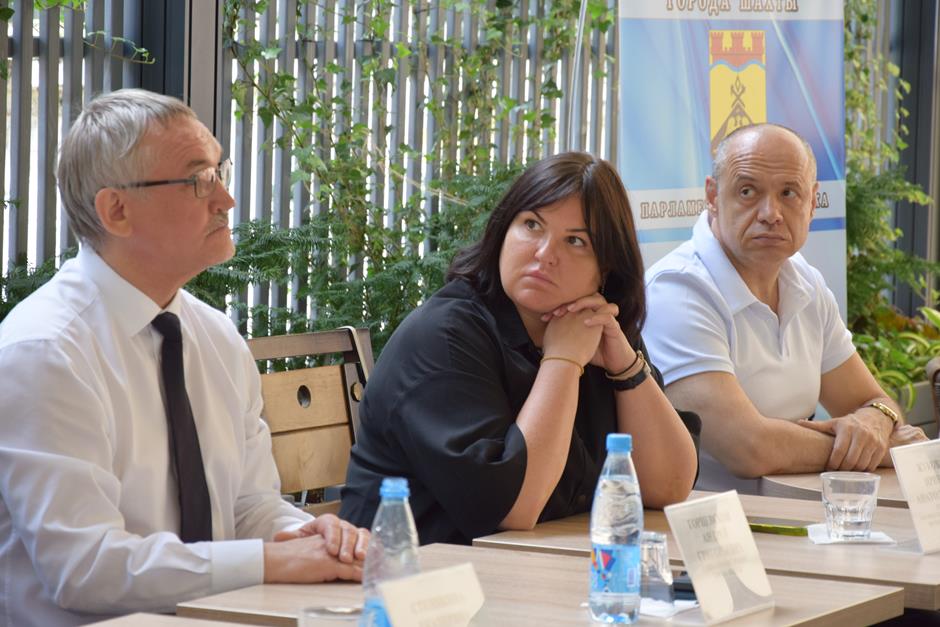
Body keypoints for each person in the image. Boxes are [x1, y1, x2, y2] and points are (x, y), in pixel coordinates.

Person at [0, 89, 369, 626]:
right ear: (117, 210)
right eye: (199, 180)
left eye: (220, 172)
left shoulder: (215, 336)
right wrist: (273, 561)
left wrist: (308, 537)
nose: (226, 200)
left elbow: (248, 506)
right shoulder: (45, 352)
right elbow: (84, 568)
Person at [340, 152, 700, 545]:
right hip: (416, 575)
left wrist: (626, 367)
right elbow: (513, 508)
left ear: (606, 269)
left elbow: (669, 485)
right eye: (532, 225)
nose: (545, 254)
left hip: (538, 566)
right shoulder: (443, 336)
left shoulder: (594, 328)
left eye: (575, 241)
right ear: (502, 231)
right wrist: (562, 360)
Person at [643, 123, 928, 493]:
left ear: (812, 203)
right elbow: (747, 448)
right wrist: (879, 449)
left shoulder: (806, 282)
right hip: (715, 520)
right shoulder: (677, 289)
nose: (770, 213)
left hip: (801, 509)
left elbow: (871, 400)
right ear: (712, 196)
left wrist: (876, 422)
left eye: (789, 193)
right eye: (748, 191)